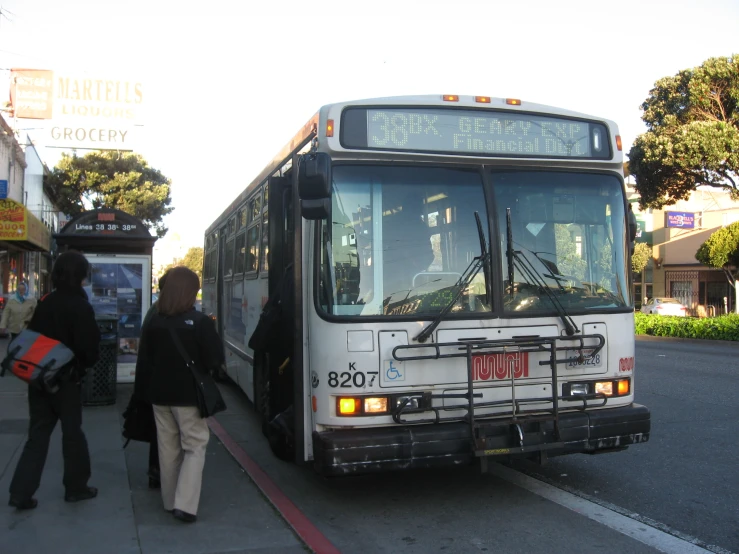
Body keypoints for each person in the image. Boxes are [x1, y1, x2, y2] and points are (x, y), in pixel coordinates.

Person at [8, 251, 101, 511]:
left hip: (39, 379)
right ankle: (76, 487)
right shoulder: (81, 306)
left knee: (37, 435)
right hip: (67, 382)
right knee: (73, 435)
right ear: (82, 275)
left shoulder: (46, 301)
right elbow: (90, 349)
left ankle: (20, 492)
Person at [139, 266, 224, 523]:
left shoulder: (154, 322)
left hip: (159, 394)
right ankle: (185, 505)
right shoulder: (199, 323)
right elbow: (214, 360)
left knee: (167, 448)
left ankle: (168, 500)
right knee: (195, 445)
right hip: (188, 396)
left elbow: (146, 360)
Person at [131, 270, 170, 490]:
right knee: (163, 432)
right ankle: (159, 471)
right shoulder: (161, 314)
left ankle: (157, 471)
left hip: (152, 384)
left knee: (160, 432)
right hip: (160, 386)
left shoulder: (154, 312)